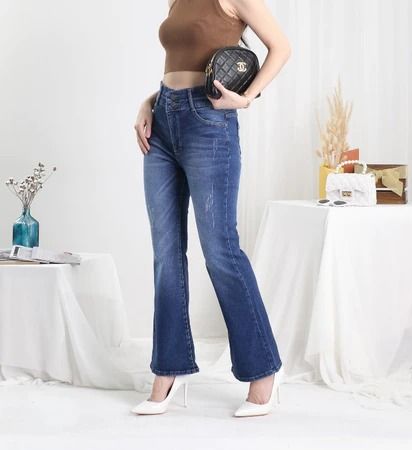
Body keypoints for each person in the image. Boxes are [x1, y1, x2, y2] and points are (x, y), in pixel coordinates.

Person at [132, 0, 291, 417]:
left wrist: (246, 98)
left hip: (209, 124)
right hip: (163, 121)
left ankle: (263, 371)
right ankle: (168, 370)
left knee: (221, 250)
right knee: (166, 252)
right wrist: (149, 102)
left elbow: (281, 47)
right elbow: (179, 64)